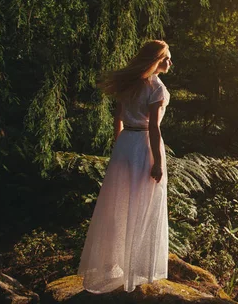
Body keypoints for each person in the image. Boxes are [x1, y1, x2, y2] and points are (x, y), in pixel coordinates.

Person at [78, 40, 172, 293]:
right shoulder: (157, 88)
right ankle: (135, 269)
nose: (170, 63)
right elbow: (154, 127)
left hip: (126, 144)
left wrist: (119, 146)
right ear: (156, 60)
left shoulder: (128, 84)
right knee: (143, 203)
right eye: (166, 59)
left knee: (119, 203)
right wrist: (158, 163)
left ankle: (115, 264)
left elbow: (118, 117)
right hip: (143, 145)